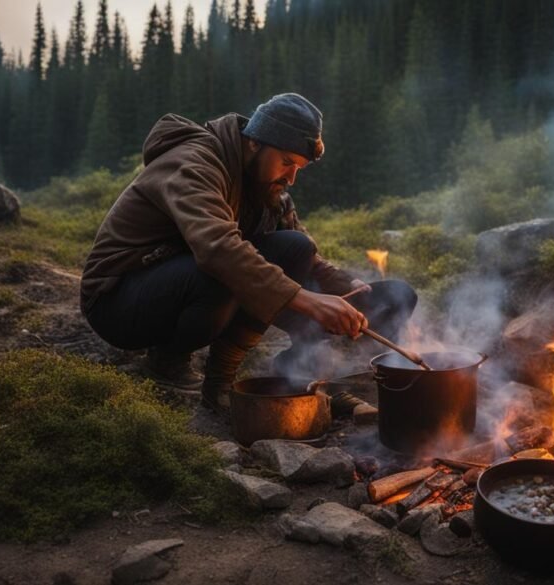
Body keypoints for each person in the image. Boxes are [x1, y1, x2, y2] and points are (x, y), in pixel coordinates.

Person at [79, 93, 417, 410]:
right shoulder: (196, 163)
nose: (291, 177)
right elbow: (218, 250)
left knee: (294, 248)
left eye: (298, 167)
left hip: (178, 281)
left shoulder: (265, 184)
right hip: (117, 299)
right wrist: (309, 301)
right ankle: (173, 361)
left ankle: (261, 372)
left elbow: (303, 255)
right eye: (286, 162)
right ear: (255, 141)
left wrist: (353, 289)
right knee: (226, 272)